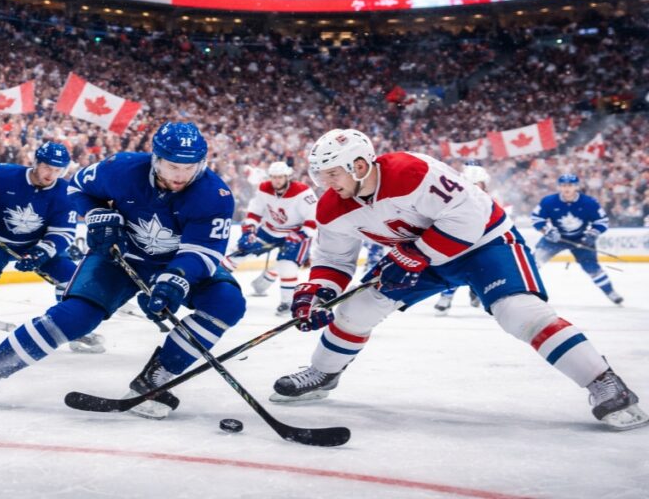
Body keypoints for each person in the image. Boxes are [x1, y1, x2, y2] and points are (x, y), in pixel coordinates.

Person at [270, 129, 646, 430]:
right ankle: (323, 372)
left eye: (332, 173)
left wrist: (416, 255)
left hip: (484, 243)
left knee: (519, 312)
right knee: (355, 310)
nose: (325, 183)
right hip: (422, 255)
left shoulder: (411, 171)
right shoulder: (332, 206)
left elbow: (470, 216)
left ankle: (603, 381)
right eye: (320, 175)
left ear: (358, 165)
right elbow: (334, 259)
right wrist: (317, 292)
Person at [0, 122, 246, 419]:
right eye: (172, 167)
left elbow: (203, 251)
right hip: (118, 255)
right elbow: (78, 187)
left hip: (175, 262)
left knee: (227, 302)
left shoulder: (214, 194)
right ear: (156, 158)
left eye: (189, 167)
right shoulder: (121, 168)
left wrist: (175, 279)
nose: (180, 176)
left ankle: (156, 378)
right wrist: (96, 213)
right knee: (74, 318)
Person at [0, 142, 102, 354]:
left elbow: (62, 232)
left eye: (58, 170)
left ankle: (71, 328)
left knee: (70, 278)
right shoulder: (2, 174)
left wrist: (41, 252)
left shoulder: (65, 193)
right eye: (47, 167)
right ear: (36, 162)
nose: (51, 175)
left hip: (35, 243)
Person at [221, 160, 317, 315]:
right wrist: (248, 232)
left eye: (280, 177)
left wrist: (301, 235)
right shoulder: (264, 188)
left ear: (287, 177)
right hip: (269, 231)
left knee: (287, 265)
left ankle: (287, 302)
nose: (276, 180)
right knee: (237, 253)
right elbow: (254, 213)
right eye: (274, 177)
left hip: (296, 233)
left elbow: (313, 219)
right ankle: (212, 284)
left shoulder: (303, 192)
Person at [531, 174, 622, 305]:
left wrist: (592, 234)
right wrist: (547, 231)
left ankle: (610, 292)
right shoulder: (548, 201)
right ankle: (521, 291)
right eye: (563, 185)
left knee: (592, 268)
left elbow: (601, 221)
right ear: (559, 187)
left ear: (576, 187)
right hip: (555, 238)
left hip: (581, 239)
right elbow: (536, 218)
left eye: (570, 185)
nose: (566, 188)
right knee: (533, 263)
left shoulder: (589, 202)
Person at [433, 162, 491, 314]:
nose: (475, 188)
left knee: (483, 270)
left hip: (481, 244)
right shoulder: (453, 200)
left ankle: (476, 293)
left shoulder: (491, 202)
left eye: (478, 185)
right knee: (453, 270)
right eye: (471, 184)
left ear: (485, 185)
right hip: (459, 242)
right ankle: (446, 296)